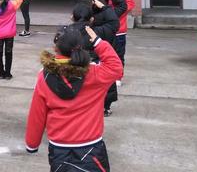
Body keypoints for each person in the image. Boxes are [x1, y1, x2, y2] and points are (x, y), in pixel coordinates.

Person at [25, 25, 123, 172]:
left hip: (59, 149)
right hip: (91, 147)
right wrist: (98, 42)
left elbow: (37, 114)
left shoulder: (44, 77)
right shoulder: (95, 73)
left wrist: (32, 144)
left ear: (56, 47)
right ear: (81, 46)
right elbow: (116, 67)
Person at [91, 0, 126, 117]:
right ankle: (106, 107)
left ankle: (94, 105)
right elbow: (123, 6)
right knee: (108, 81)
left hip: (95, 54)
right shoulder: (111, 15)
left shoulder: (92, 17)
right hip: (109, 52)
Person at [0, 0, 22, 80]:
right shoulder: (12, 5)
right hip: (9, 33)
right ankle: (8, 74)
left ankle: (1, 73)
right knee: (9, 52)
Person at [113, 0, 135, 85]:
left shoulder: (107, 6)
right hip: (121, 34)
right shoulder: (124, 7)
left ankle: (108, 76)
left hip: (108, 34)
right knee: (119, 56)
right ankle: (118, 78)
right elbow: (131, 3)